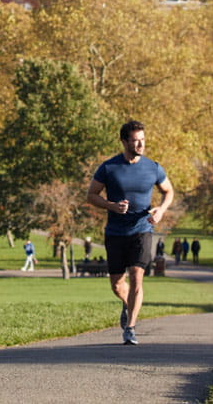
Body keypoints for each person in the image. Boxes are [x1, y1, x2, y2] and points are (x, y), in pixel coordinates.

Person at [87, 120, 175, 346]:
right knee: (117, 284)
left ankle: (130, 328)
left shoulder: (153, 167)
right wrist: (112, 206)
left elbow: (168, 191)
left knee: (137, 277)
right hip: (115, 232)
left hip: (142, 229)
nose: (140, 144)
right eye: (135, 141)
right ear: (124, 141)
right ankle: (128, 304)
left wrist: (161, 210)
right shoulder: (109, 168)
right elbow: (92, 195)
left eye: (142, 140)